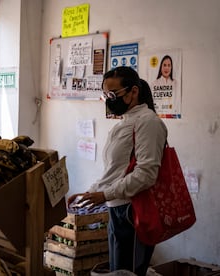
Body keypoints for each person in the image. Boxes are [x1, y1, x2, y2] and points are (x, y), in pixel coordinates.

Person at [67, 66, 167, 276]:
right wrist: (92, 192)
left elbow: (146, 174)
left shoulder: (148, 122)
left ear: (133, 92)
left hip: (134, 211)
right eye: (105, 95)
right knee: (118, 272)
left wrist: (104, 194)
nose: (109, 100)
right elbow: (115, 171)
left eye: (113, 94)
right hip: (118, 209)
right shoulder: (125, 123)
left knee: (126, 273)